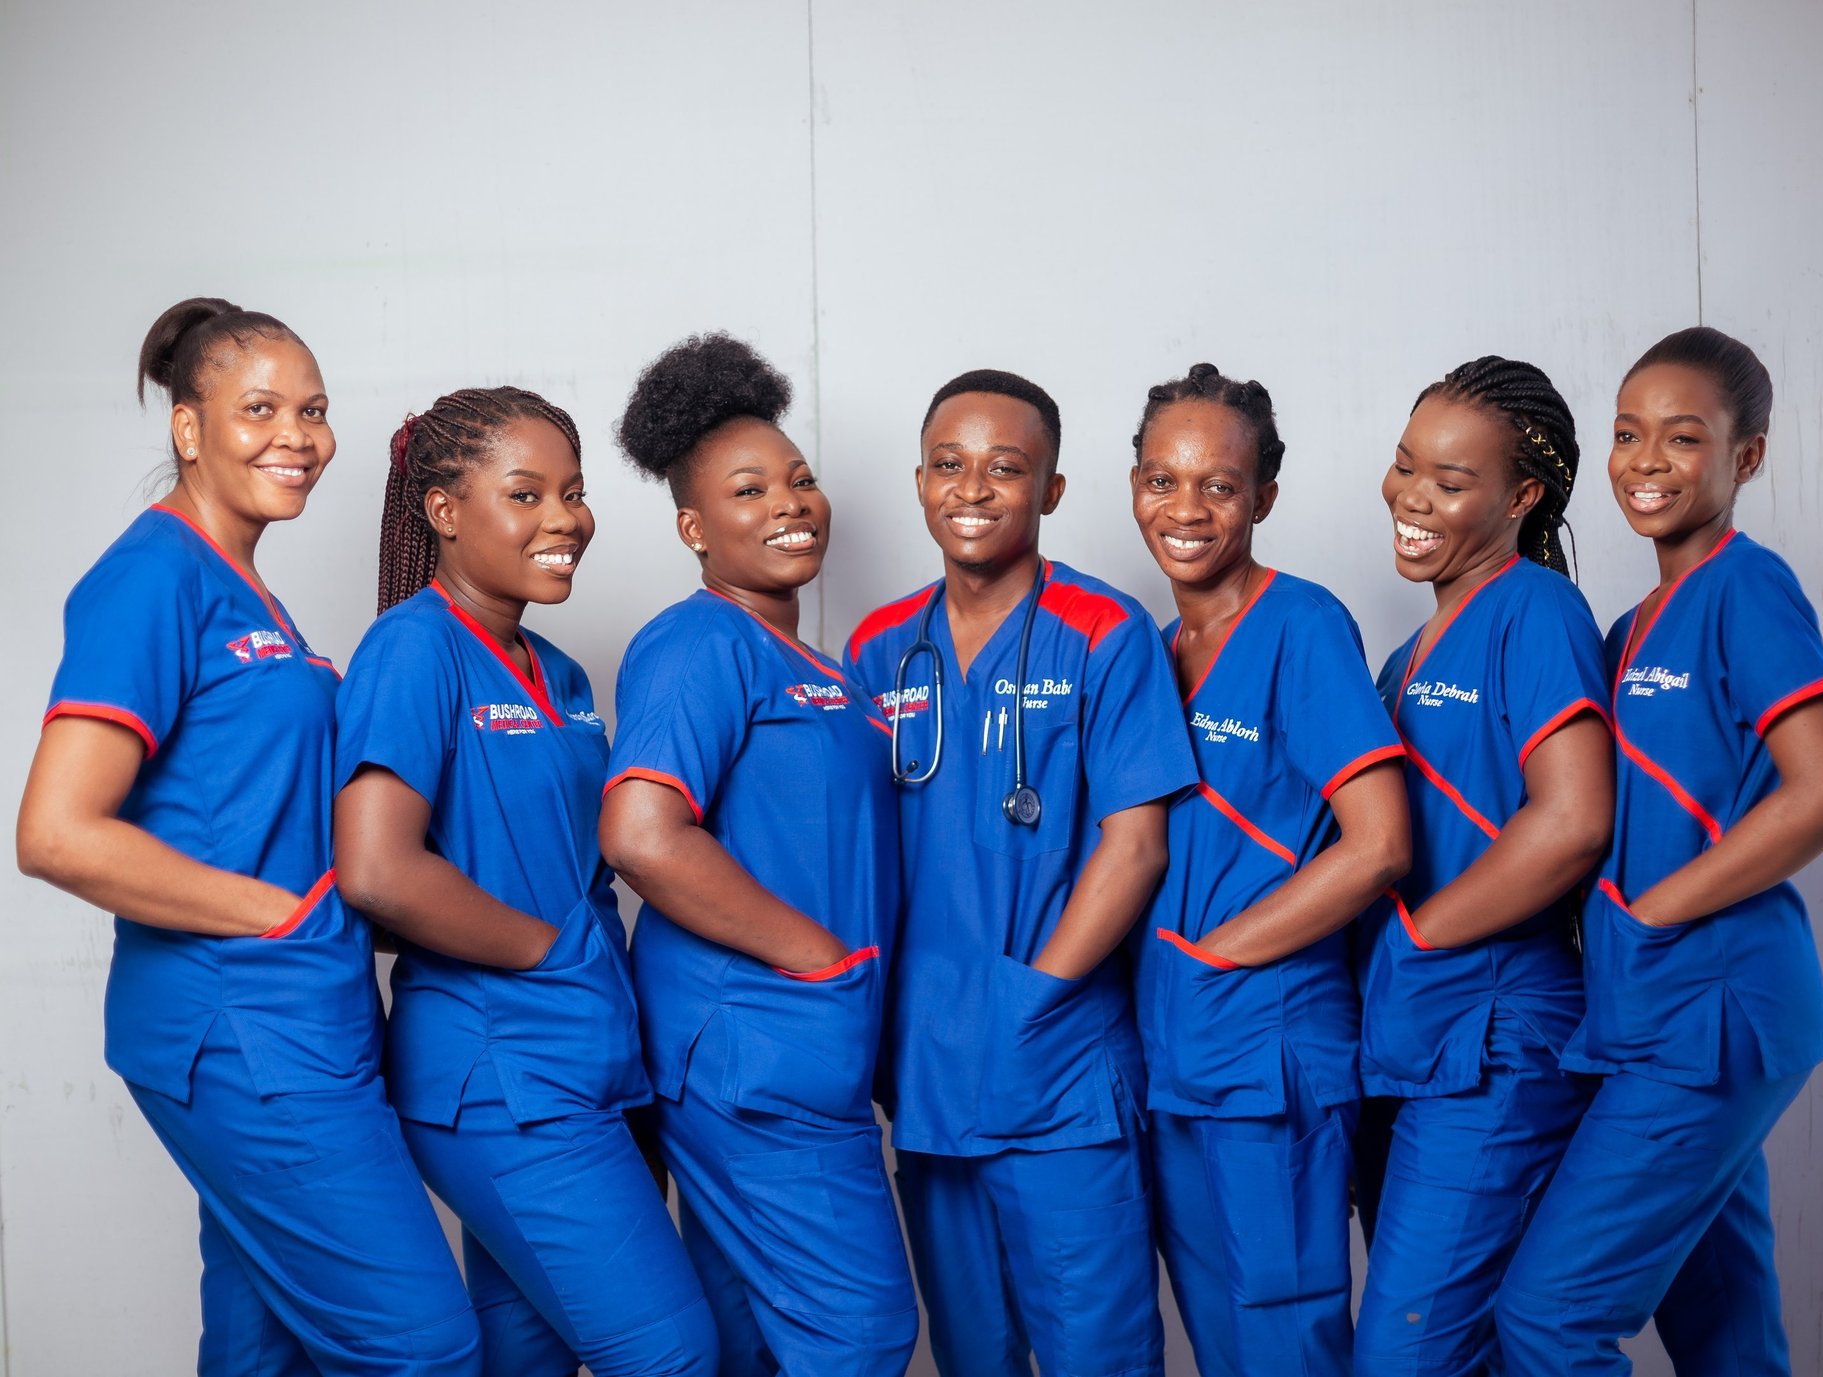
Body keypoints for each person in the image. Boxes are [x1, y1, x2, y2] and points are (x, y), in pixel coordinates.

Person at [16, 298, 480, 1375]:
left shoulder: (245, 589)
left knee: (262, 1344)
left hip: (298, 1020)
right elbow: (56, 832)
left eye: (313, 411)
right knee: (423, 1344)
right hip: (242, 1028)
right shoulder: (155, 576)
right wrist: (279, 914)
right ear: (190, 429)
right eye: (260, 407)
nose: (299, 436)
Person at [1496, 328, 1823, 1376]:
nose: (1646, 459)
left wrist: (1653, 909)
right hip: (1652, 1014)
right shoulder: (1626, 630)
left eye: (1683, 436)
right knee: (1724, 1330)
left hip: (1716, 1011)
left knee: (1548, 1323)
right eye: (1626, 434)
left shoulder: (1747, 589)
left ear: (1745, 458)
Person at [331, 386, 716, 1377]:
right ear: (446, 511)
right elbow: (376, 869)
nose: (565, 519)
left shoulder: (561, 673)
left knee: (526, 1359)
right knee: (669, 1353)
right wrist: (549, 952)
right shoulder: (414, 649)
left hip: (591, 1064)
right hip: (503, 1080)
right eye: (528, 493)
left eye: (576, 492)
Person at [842, 368, 1197, 1377]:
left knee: (1097, 1353)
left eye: (1007, 468)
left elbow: (1136, 844)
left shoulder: (1105, 630)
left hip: (1059, 1070)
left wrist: (1033, 999)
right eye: (949, 465)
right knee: (973, 1353)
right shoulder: (878, 648)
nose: (973, 489)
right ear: (918, 482)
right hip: (925, 1066)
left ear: (1051, 490)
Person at [599, 333, 918, 1377]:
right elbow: (642, 834)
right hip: (756, 1050)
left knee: (751, 1346)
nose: (790, 502)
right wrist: (819, 959)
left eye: (800, 479)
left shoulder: (817, 664)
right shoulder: (698, 644)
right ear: (695, 526)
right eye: (749, 490)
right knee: (859, 1337)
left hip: (797, 1048)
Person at [1127, 363, 1411, 1375]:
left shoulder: (1302, 626)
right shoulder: (1150, 649)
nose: (1187, 509)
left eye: (1219, 485)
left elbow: (1380, 843)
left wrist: (1218, 955)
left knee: (1287, 1337)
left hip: (1270, 1047)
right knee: (1219, 1342)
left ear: (1264, 498)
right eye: (1163, 479)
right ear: (1132, 488)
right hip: (1173, 1057)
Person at [1351, 356, 1615, 1376]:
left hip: (1497, 1040)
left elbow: (1574, 822)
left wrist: (1421, 934)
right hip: (1419, 1036)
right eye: (1406, 464)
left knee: (1406, 1357)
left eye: (1451, 482)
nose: (1413, 496)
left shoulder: (1536, 614)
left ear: (1523, 496)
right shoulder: (1403, 657)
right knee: (1472, 1346)